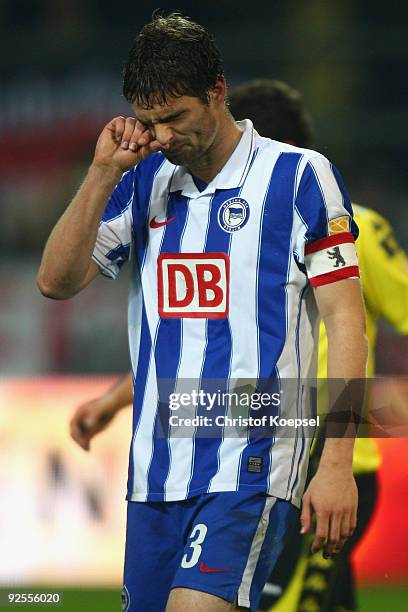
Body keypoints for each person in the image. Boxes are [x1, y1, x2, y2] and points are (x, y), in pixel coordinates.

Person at [38, 13, 367, 612]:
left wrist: (337, 461)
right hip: (156, 472)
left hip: (254, 460)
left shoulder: (298, 179)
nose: (162, 137)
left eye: (176, 118)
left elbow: (347, 322)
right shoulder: (144, 182)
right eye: (150, 121)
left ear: (217, 91)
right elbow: (55, 282)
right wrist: (102, 171)